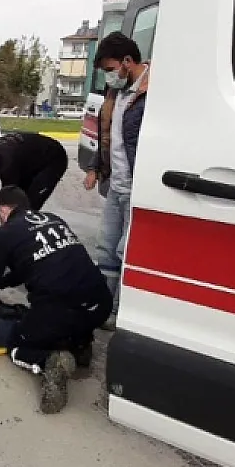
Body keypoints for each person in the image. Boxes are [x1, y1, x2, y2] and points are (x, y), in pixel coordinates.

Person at [0, 187, 112, 414]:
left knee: (18, 339)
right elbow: (35, 264)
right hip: (101, 304)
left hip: (62, 312)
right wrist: (3, 282)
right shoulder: (53, 220)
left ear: (3, 210)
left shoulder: (6, 234)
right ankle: (81, 343)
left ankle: (50, 361)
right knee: (69, 299)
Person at [86, 31, 149, 329]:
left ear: (127, 61)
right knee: (107, 247)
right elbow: (108, 136)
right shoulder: (117, 93)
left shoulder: (153, 92)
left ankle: (121, 313)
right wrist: (97, 168)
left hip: (139, 188)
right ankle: (103, 305)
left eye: (111, 70)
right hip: (117, 185)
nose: (109, 78)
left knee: (127, 252)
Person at [0, 132, 68, 225]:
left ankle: (21, 239)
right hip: (26, 162)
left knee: (27, 206)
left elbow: (7, 202)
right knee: (13, 208)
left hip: (52, 159)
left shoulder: (6, 162)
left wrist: (2, 233)